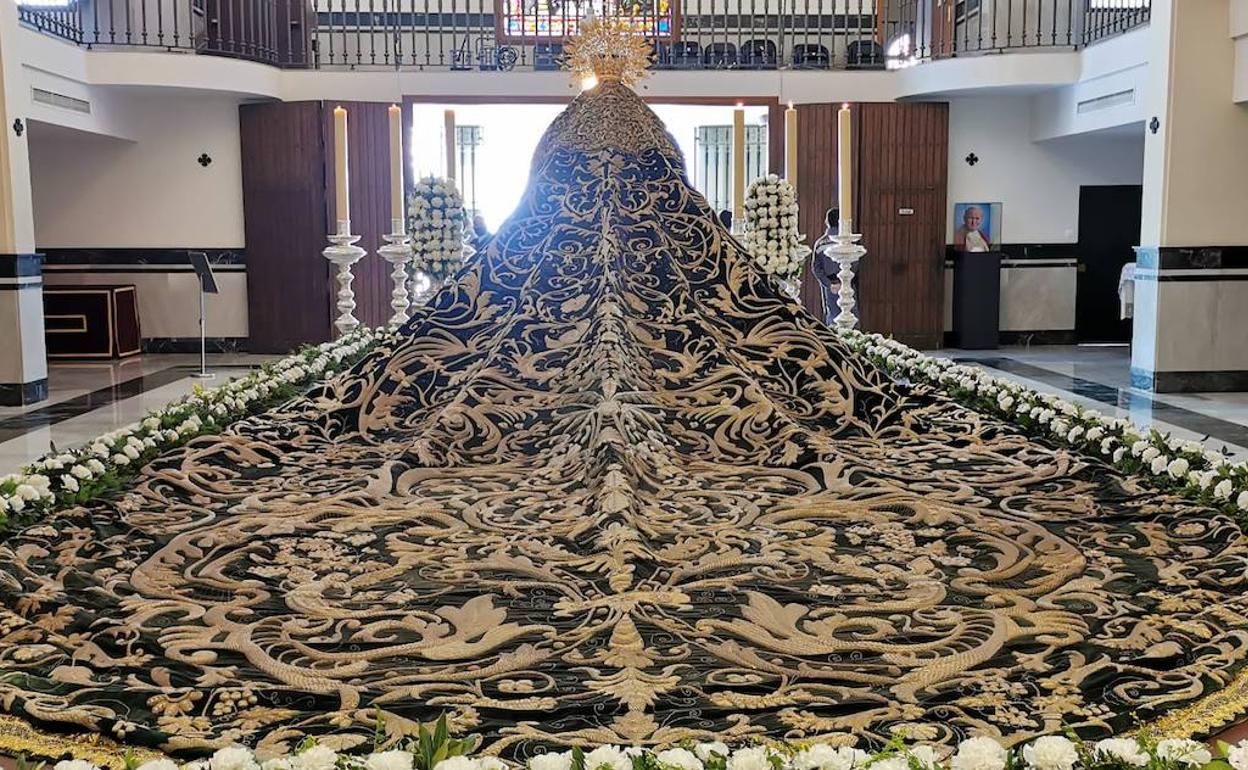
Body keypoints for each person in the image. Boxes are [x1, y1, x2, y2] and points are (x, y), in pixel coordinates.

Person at [811, 207, 854, 326]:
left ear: (827, 222)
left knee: (832, 317)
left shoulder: (820, 242)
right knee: (850, 316)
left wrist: (829, 284)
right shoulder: (849, 241)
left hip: (830, 285)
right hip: (848, 283)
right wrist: (846, 280)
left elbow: (816, 268)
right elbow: (855, 263)